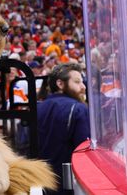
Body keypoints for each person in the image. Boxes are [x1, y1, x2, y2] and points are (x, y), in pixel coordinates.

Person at [37, 63, 90, 195]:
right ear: (60, 84)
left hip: (41, 183)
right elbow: (84, 151)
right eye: (77, 82)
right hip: (68, 185)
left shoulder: (37, 108)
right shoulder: (79, 109)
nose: (83, 87)